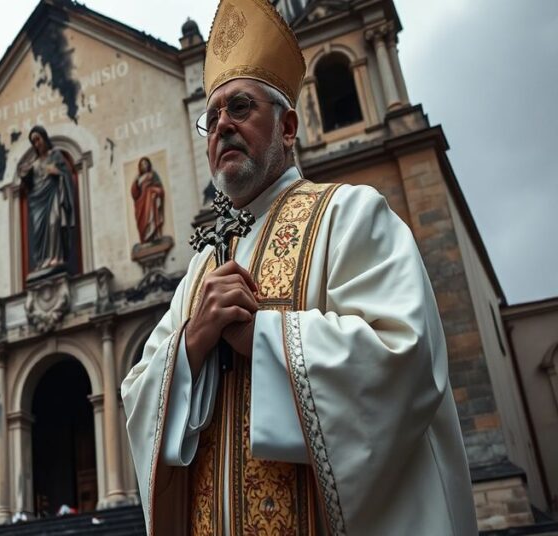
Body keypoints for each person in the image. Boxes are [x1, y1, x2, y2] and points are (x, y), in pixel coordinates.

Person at [120, 0, 477, 534]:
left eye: (240, 107)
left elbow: (406, 357)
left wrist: (262, 337)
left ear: (288, 126)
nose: (221, 127)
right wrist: (194, 342)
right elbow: (137, 391)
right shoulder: (200, 269)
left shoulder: (351, 215)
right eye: (211, 117)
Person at [20, 125, 77, 277]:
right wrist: (25, 176)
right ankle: (43, 261)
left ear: (44, 138)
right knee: (39, 230)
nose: (37, 143)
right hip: (38, 203)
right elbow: (29, 186)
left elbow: (66, 175)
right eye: (34, 141)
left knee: (55, 222)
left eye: (38, 139)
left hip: (53, 196)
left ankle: (56, 258)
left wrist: (57, 172)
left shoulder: (55, 155)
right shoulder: (35, 164)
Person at [131, 156, 166, 243]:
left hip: (151, 201)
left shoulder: (152, 175)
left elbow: (159, 188)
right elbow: (135, 193)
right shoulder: (138, 178)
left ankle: (155, 234)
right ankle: (146, 237)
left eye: (145, 164)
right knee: (144, 220)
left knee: (152, 216)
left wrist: (154, 192)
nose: (144, 166)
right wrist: (135, 183)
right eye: (142, 164)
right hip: (141, 203)